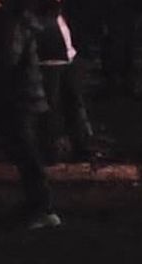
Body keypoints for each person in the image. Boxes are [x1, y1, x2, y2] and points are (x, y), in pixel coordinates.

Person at [0, 0, 60, 229]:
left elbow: (6, 58)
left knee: (25, 153)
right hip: (17, 97)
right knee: (22, 151)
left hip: (15, 98)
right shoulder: (8, 21)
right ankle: (38, 205)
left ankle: (42, 208)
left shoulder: (6, 23)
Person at [34, 0, 92, 160]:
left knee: (73, 104)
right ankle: (49, 149)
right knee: (51, 108)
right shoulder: (40, 16)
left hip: (66, 60)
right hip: (48, 62)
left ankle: (80, 146)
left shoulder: (60, 14)